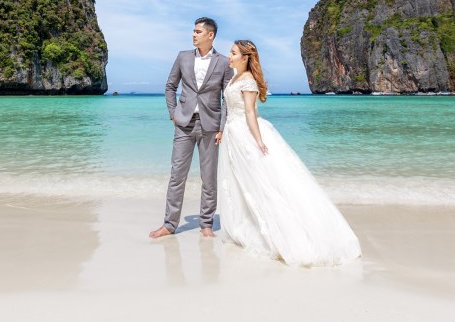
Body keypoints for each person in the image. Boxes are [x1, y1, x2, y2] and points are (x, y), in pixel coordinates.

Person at [219, 39, 361, 266]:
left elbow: (249, 113)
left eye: (233, 52)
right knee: (241, 182)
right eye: (230, 52)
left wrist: (258, 141)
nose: (229, 55)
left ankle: (282, 231)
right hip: (233, 134)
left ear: (245, 57)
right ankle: (248, 222)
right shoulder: (235, 77)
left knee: (262, 183)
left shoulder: (247, 81)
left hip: (245, 134)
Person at [149, 17, 233, 239]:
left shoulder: (224, 63)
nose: (193, 34)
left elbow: (228, 98)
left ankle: (206, 223)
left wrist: (222, 126)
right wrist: (172, 113)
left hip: (210, 126)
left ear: (210, 35)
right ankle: (169, 224)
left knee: (209, 177)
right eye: (193, 31)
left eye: (198, 31)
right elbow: (170, 86)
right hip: (184, 125)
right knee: (177, 175)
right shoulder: (182, 57)